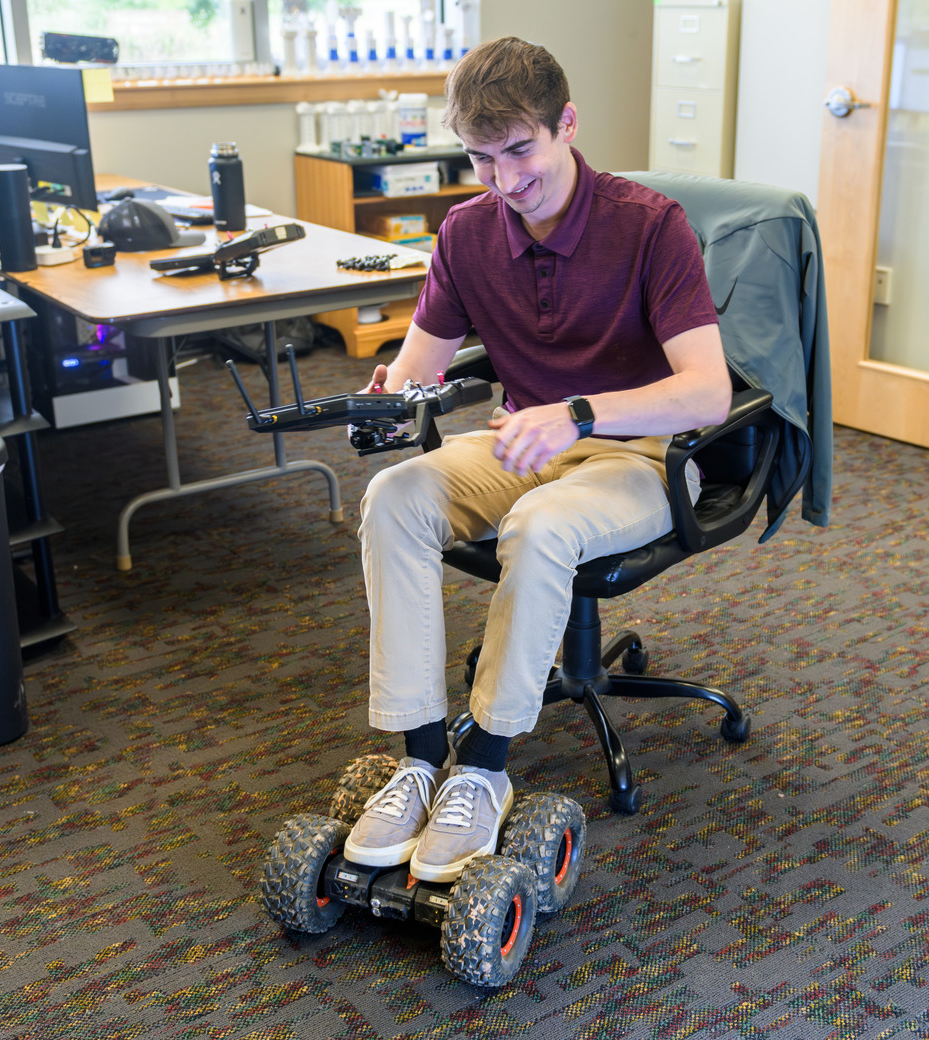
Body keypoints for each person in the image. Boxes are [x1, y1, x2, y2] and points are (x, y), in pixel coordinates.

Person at [343, 36, 731, 883]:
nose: (504, 181)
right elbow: (422, 365)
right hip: (520, 438)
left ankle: (480, 769)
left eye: (520, 152)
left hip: (640, 456)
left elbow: (707, 393)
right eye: (480, 159)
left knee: (541, 525)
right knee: (395, 496)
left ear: (567, 125)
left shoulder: (649, 227)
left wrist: (579, 414)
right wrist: (389, 400)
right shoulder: (467, 231)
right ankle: (418, 760)